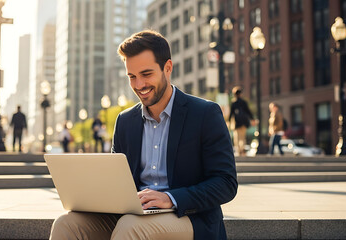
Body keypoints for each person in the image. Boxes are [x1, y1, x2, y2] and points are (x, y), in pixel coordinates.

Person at [49, 30, 238, 240]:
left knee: (131, 227)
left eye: (146, 74)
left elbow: (225, 183)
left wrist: (170, 198)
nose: (139, 85)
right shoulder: (124, 121)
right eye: (132, 76)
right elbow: (115, 180)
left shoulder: (204, 113)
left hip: (189, 216)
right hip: (134, 213)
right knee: (66, 224)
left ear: (167, 68)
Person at [228, 86, 254, 156]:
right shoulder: (244, 102)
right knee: (243, 137)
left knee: (237, 137)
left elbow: (231, 113)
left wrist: (229, 121)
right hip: (244, 123)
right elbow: (248, 111)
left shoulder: (234, 103)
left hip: (236, 123)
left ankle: (239, 150)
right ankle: (242, 150)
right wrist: (252, 119)